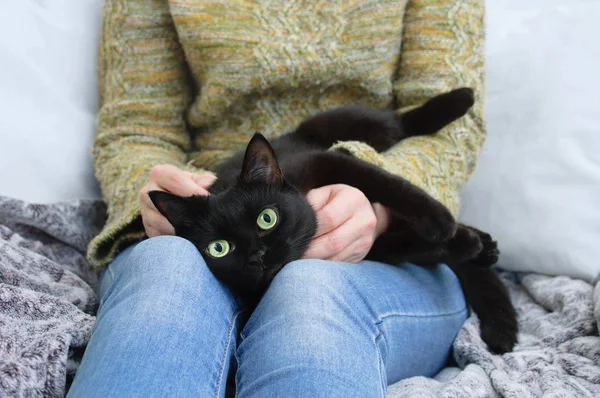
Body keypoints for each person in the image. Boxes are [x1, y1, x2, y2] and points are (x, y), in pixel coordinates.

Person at [68, 0, 485, 396]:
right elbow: (136, 128)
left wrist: (385, 206)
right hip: (207, 216)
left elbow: (452, 128)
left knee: (307, 293)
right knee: (168, 270)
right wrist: (153, 201)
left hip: (384, 237)